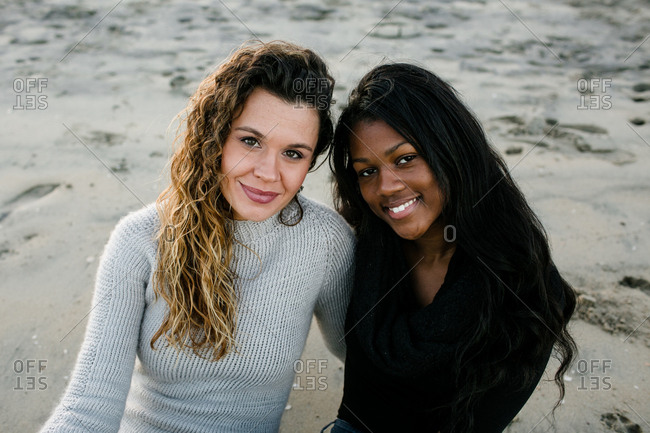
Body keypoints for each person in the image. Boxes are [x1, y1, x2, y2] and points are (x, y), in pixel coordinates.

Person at [40, 41, 354, 433]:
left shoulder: (324, 242)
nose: (267, 172)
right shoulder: (140, 240)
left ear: (310, 161)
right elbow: (90, 406)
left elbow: (369, 359)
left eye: (293, 153)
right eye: (250, 141)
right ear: (215, 136)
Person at [326, 63, 577, 433]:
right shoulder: (360, 251)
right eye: (367, 171)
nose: (386, 186)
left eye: (405, 159)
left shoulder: (520, 283)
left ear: (450, 150)